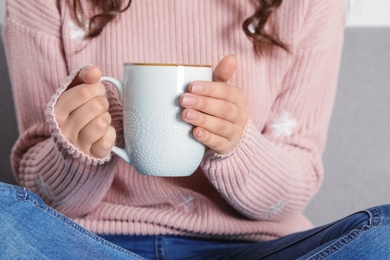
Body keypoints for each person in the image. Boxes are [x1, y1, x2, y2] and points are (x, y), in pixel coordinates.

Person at [1, 0, 390, 259]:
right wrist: (78, 152)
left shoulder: (304, 4)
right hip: (88, 245)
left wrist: (237, 146)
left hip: (253, 250)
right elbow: (40, 193)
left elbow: (294, 189)